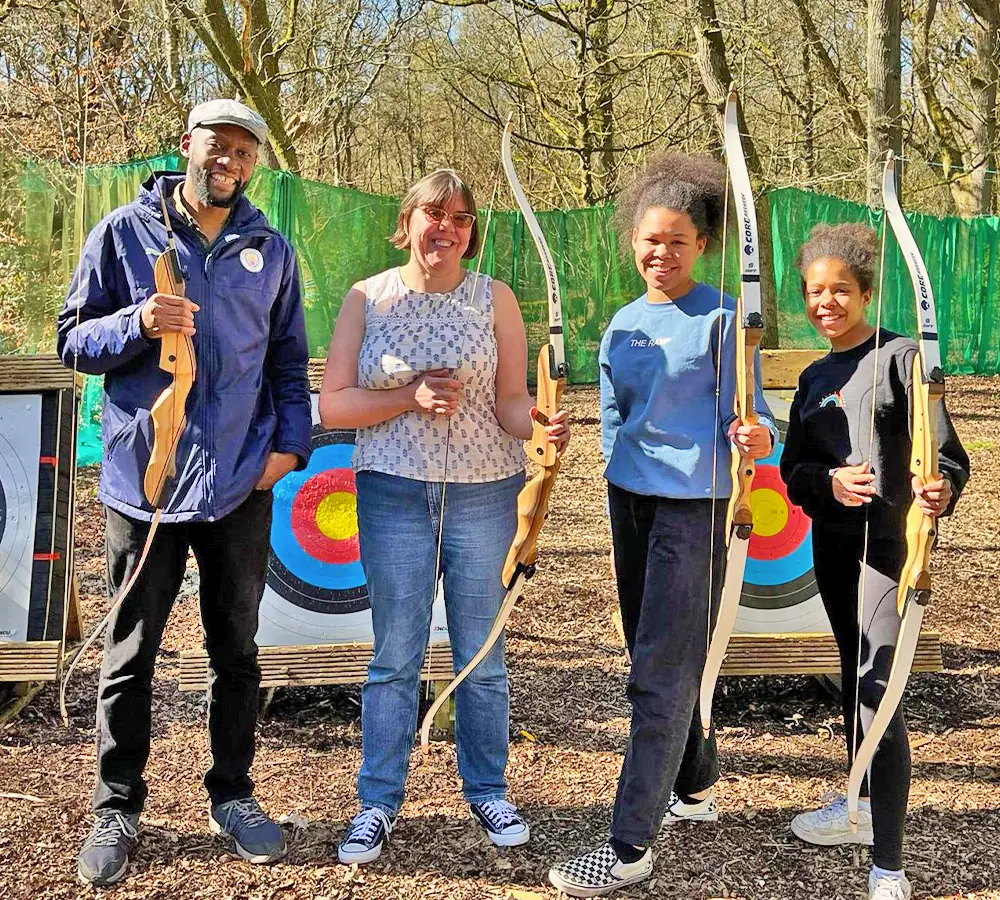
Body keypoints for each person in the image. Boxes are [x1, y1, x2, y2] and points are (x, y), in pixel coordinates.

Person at [57, 99, 312, 886]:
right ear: (186, 146)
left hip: (239, 485)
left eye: (243, 149)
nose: (228, 158)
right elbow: (72, 338)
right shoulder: (122, 235)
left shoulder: (270, 248)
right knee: (131, 651)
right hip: (148, 486)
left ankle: (232, 794)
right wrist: (136, 320)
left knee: (236, 650)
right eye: (216, 144)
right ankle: (118, 806)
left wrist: (289, 450)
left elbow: (289, 360)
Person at [319, 168, 569, 864]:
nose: (447, 228)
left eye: (461, 219)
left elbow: (511, 404)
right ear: (408, 221)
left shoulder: (496, 299)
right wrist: (408, 398)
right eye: (435, 214)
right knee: (395, 655)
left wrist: (541, 425)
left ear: (471, 233)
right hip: (393, 489)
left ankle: (488, 789)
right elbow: (334, 405)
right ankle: (377, 803)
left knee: (482, 656)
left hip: (486, 490)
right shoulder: (367, 298)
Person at [547, 153, 777, 897]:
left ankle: (629, 845)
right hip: (631, 504)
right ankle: (696, 786)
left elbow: (757, 417)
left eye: (677, 241)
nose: (660, 253)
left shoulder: (723, 319)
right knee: (655, 653)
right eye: (650, 239)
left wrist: (752, 437)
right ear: (633, 242)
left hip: (696, 508)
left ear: (703, 244)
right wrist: (617, 460)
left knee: (659, 672)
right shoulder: (622, 323)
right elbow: (616, 412)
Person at [779, 224, 969, 900]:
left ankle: (889, 865)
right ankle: (856, 805)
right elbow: (792, 468)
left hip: (890, 553)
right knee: (853, 676)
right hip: (831, 549)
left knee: (877, 691)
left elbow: (946, 457)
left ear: (865, 292)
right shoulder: (812, 377)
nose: (826, 302)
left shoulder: (904, 359)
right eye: (814, 292)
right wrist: (826, 483)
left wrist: (937, 487)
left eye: (839, 290)